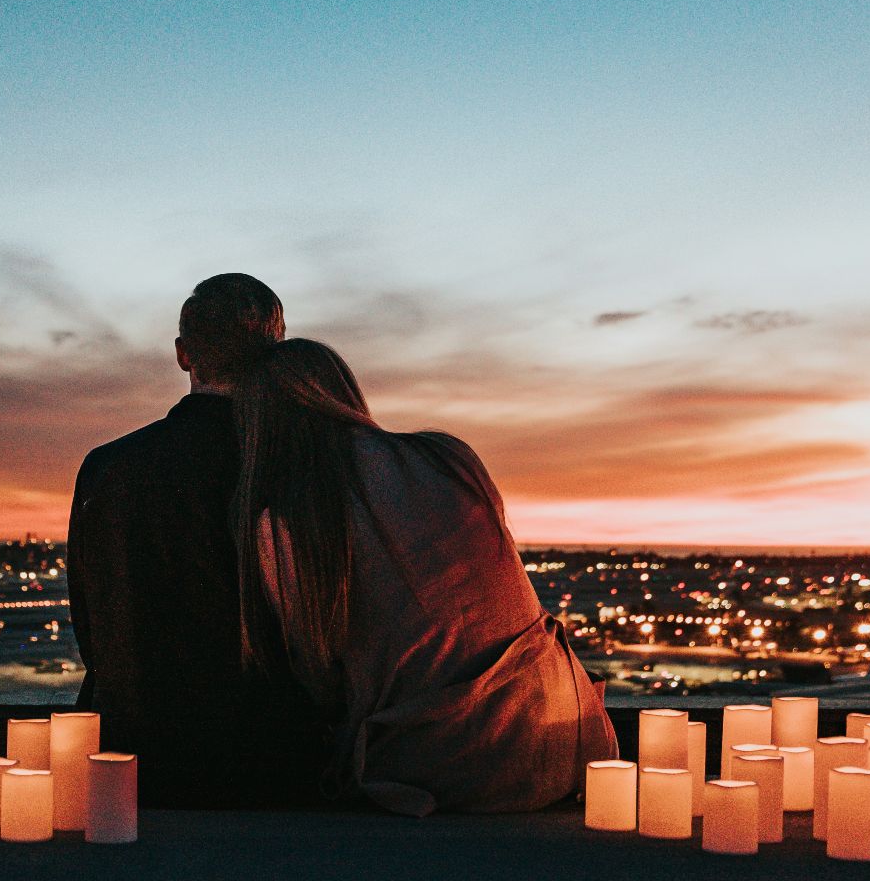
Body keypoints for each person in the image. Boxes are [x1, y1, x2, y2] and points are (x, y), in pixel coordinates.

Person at [232, 338, 618, 816]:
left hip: (442, 769)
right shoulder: (449, 457)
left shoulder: (287, 521)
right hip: (569, 739)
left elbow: (319, 677)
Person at [67, 274, 325, 806]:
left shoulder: (106, 469)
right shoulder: (303, 466)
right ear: (277, 353)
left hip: (133, 760)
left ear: (184, 354)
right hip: (271, 765)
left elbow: (93, 632)